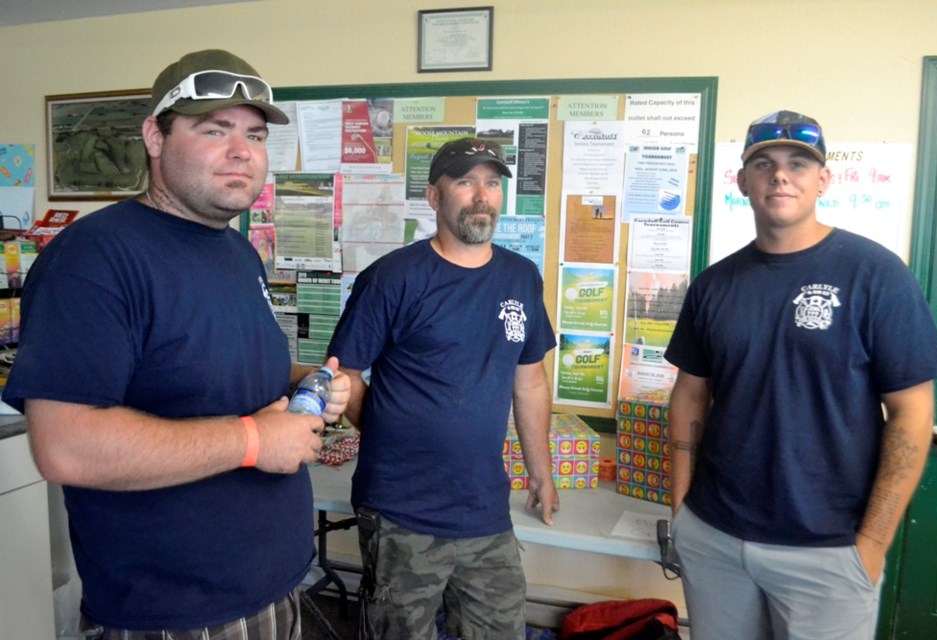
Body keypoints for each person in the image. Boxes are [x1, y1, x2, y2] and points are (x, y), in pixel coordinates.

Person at [4, 49, 351, 639]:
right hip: (179, 613)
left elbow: (204, 362)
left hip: (274, 580)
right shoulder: (94, 259)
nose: (241, 151)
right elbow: (67, 447)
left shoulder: (236, 251)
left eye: (255, 134)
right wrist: (253, 439)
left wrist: (305, 385)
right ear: (154, 137)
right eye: (214, 129)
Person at [664, 110, 937, 640]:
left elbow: (912, 412)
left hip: (829, 552)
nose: (780, 175)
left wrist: (872, 545)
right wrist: (682, 507)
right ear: (742, 180)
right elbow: (688, 395)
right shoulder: (713, 286)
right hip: (716, 539)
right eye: (764, 163)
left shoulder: (876, 275)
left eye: (798, 163)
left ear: (822, 180)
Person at [327, 137, 559, 639]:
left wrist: (541, 472)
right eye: (466, 181)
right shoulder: (393, 278)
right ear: (435, 197)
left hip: (485, 509)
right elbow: (342, 373)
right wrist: (386, 427)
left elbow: (531, 380)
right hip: (401, 510)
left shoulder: (520, 277)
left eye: (492, 183)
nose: (482, 195)